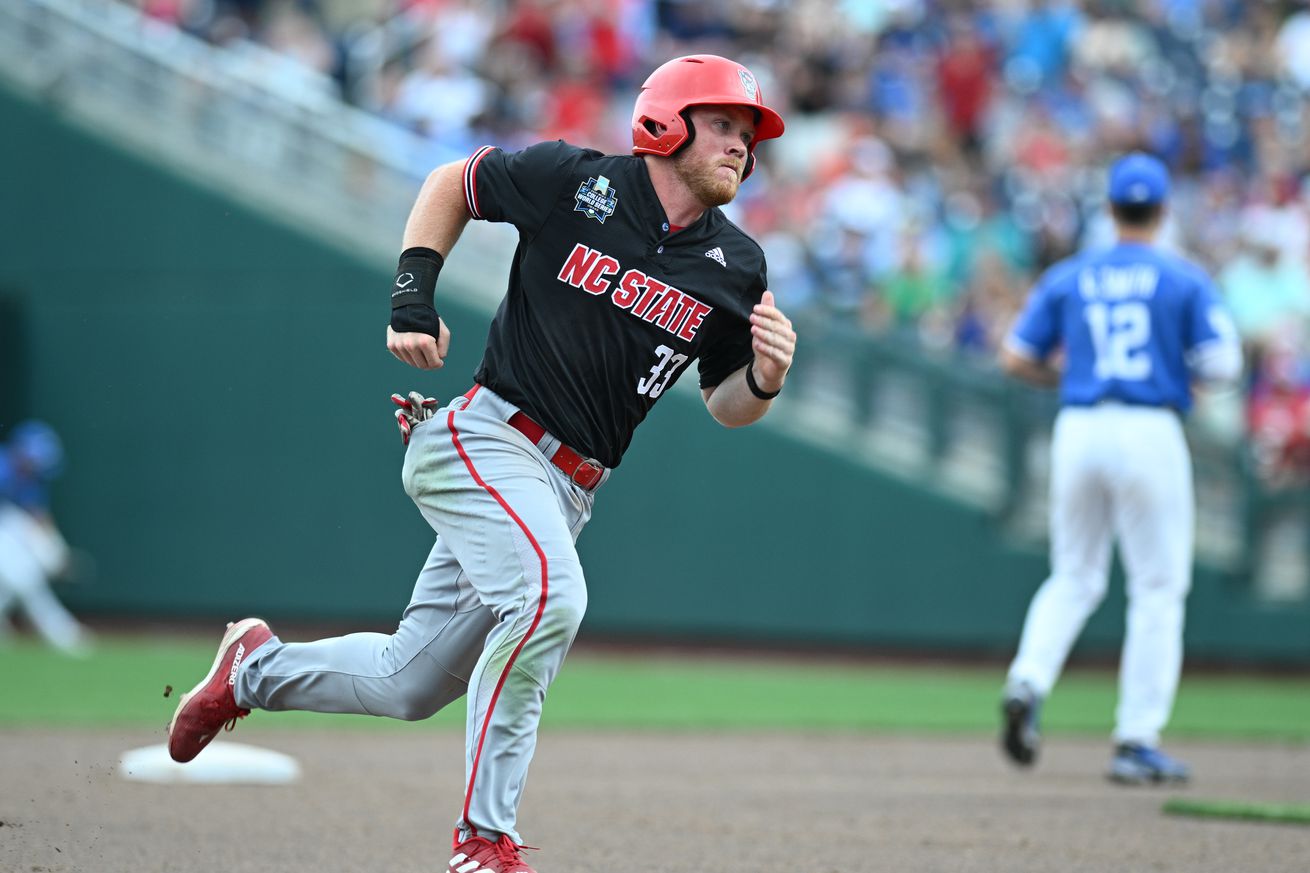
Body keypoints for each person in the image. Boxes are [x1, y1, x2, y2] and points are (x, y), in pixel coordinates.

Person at [166, 54, 794, 873]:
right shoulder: (574, 179)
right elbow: (453, 183)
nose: (742, 146)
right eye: (724, 125)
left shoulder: (737, 265)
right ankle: (484, 840)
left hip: (570, 487)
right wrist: (411, 295)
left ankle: (255, 670)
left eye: (750, 136)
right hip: (488, 436)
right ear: (665, 122)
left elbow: (725, 404)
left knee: (408, 682)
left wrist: (766, 381)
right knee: (550, 597)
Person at [997, 153, 1242, 785]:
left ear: (1109, 209)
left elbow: (1017, 357)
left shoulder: (1070, 275)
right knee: (1157, 589)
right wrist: (1172, 371)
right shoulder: (1182, 276)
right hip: (1149, 425)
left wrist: (1074, 376)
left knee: (1074, 575)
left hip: (1078, 426)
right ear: (1163, 211)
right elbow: (1223, 367)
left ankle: (1028, 679)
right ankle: (1135, 739)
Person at [0, 420, 93, 654]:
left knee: (20, 579)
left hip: (8, 529)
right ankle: (63, 633)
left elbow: (37, 517)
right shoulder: (3, 466)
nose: (36, 464)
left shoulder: (31, 480)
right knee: (23, 576)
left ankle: (63, 633)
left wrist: (56, 552)